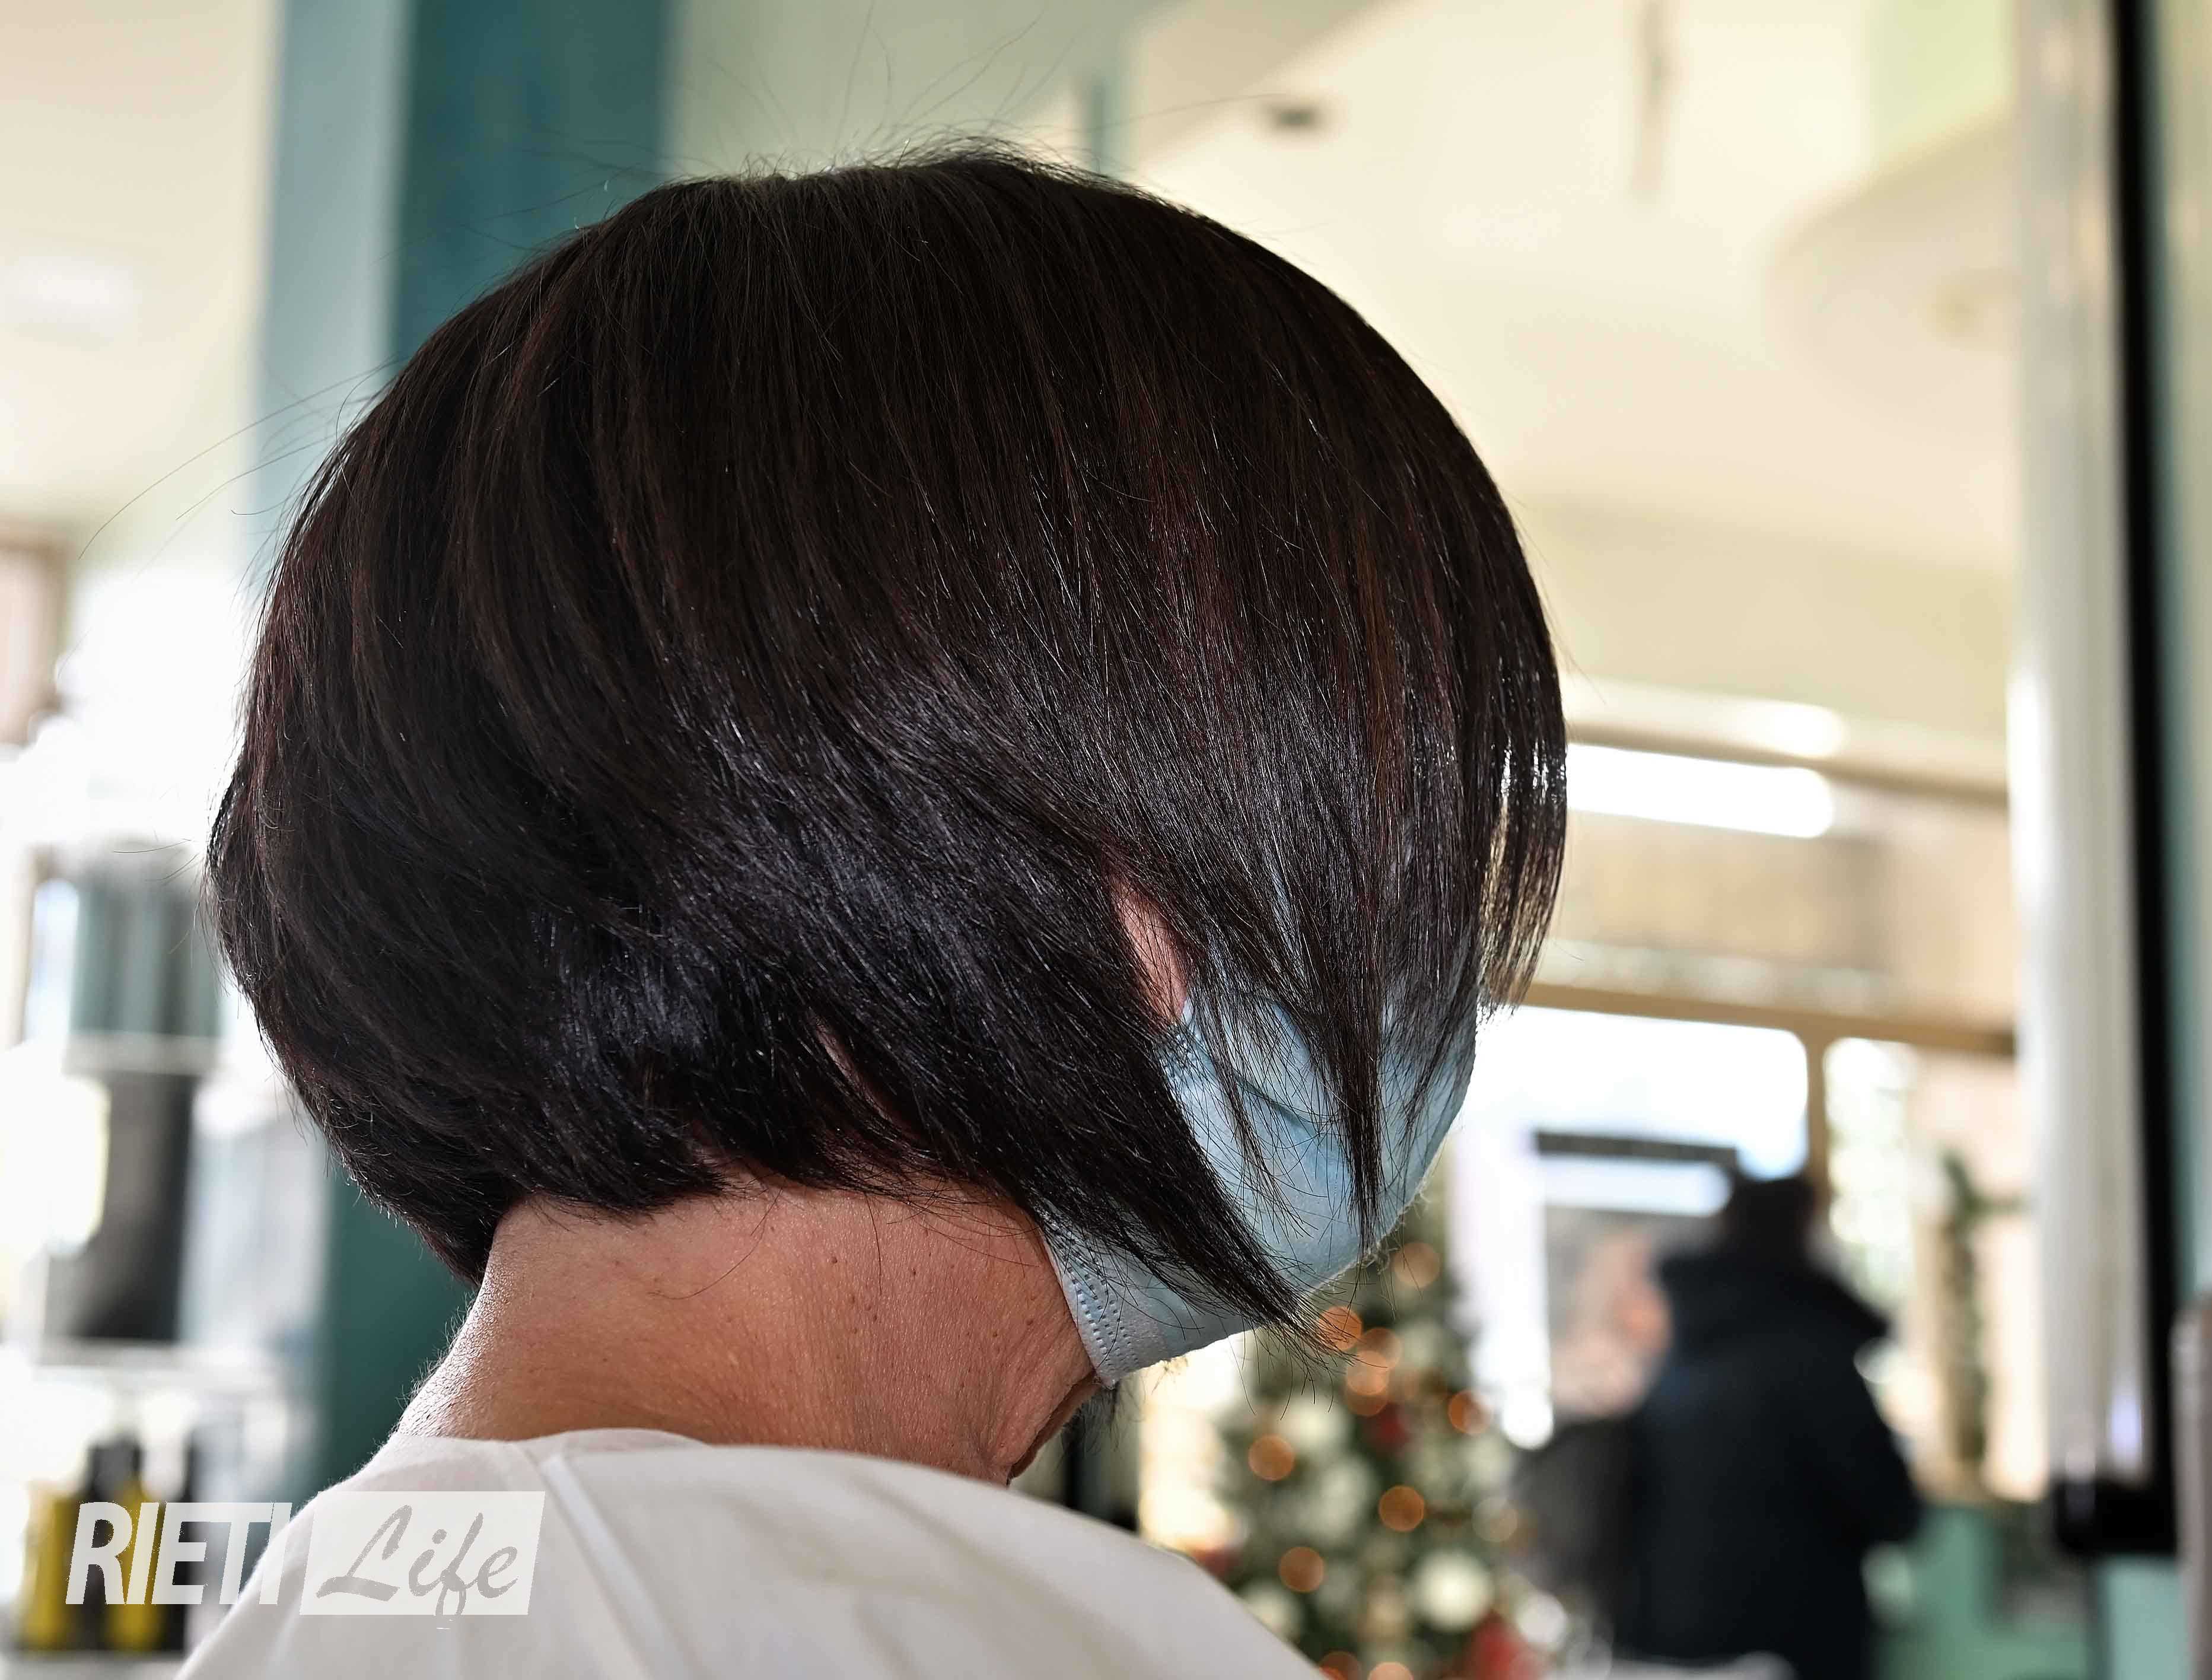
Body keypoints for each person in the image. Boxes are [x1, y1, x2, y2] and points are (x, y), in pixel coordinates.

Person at [182, 149, 1565, 1678]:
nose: (1411, 972)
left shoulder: (339, 1607)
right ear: (1133, 889)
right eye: (1382, 853)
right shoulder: (1008, 1647)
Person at [1615, 1175, 1922, 1680]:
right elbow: (1893, 1510)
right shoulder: (1810, 1350)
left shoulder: (1686, 1349)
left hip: (1677, 1641)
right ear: (1802, 1231)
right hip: (1801, 1640)